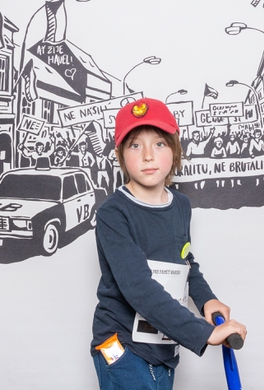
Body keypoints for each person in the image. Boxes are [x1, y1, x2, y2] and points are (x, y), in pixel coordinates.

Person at [91, 97, 246, 389]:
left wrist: (206, 299)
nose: (148, 155)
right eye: (135, 145)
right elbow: (138, 288)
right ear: (120, 155)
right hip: (122, 347)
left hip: (163, 343)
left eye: (160, 144)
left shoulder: (181, 205)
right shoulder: (113, 213)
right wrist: (202, 333)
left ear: (175, 152)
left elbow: (185, 261)